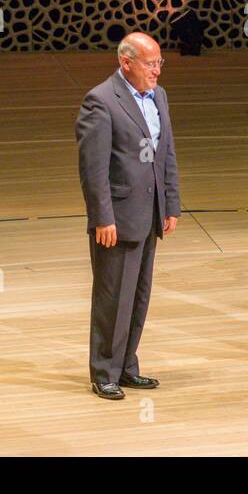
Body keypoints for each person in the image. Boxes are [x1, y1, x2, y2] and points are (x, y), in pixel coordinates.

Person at [75, 32, 181, 400]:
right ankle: (103, 370)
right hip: (117, 218)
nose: (157, 71)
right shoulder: (100, 101)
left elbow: (166, 153)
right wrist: (103, 217)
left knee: (138, 295)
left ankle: (126, 366)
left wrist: (171, 204)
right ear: (126, 63)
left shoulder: (159, 97)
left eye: (159, 63)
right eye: (151, 64)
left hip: (149, 214)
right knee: (112, 297)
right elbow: (94, 168)